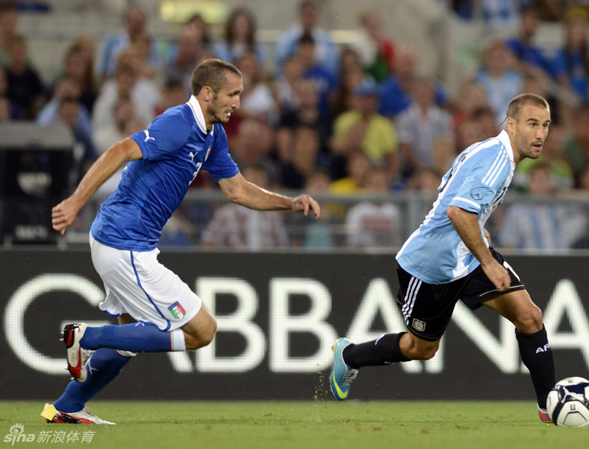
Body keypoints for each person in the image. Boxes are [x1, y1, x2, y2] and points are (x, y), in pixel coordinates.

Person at [42, 58, 320, 425]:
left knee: (128, 337)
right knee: (202, 330)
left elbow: (236, 190)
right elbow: (120, 151)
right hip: (123, 242)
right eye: (232, 94)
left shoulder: (213, 134)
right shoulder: (178, 122)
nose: (238, 102)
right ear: (207, 93)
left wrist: (291, 203)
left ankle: (68, 405)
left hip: (123, 241)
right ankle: (85, 336)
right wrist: (77, 201)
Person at [329, 93, 557, 424]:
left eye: (546, 125)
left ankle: (549, 407)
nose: (540, 134)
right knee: (420, 349)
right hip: (430, 267)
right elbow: (456, 211)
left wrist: (478, 229)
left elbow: (450, 192)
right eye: (532, 124)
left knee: (530, 317)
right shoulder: (497, 159)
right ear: (511, 124)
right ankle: (349, 356)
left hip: (468, 253)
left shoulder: (489, 151)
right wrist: (489, 261)